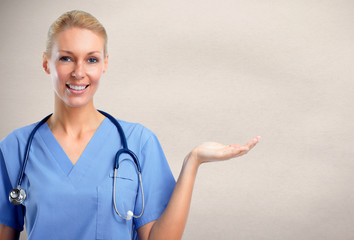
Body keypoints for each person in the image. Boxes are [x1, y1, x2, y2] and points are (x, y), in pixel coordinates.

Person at [0, 10, 260, 240]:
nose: (79, 72)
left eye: (91, 59)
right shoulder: (16, 148)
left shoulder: (138, 142)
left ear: (105, 64)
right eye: (66, 58)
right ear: (47, 63)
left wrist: (193, 161)